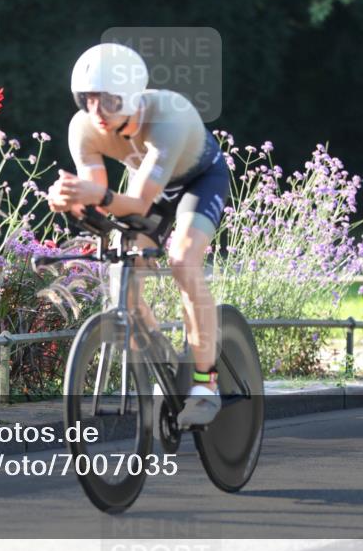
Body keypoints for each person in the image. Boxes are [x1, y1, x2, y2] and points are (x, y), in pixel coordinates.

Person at [46, 43, 229, 427]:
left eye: (108, 100)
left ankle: (204, 382)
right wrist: (65, 200)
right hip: (147, 187)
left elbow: (140, 203)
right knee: (123, 282)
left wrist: (98, 196)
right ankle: (160, 364)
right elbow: (102, 205)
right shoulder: (83, 128)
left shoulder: (167, 118)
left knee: (183, 260)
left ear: (129, 96)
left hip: (198, 180)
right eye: (87, 99)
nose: (96, 112)